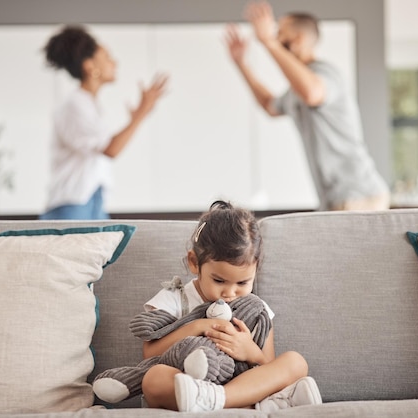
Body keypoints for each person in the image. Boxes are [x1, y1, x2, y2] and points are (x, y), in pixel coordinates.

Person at [128, 200, 322, 412]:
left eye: (242, 283)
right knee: (153, 379)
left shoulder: (256, 310)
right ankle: (253, 404)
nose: (230, 293)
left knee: (296, 362)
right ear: (194, 263)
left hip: (239, 386)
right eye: (219, 281)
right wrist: (199, 326)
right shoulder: (175, 298)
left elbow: (268, 365)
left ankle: (219, 400)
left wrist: (250, 352)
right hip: (188, 386)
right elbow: (150, 354)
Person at [225, 1, 390, 211]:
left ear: (298, 40)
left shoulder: (327, 74)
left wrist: (268, 42)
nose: (275, 38)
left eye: (280, 34)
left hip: (360, 195)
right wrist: (241, 64)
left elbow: (312, 93)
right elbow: (269, 105)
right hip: (334, 198)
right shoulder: (296, 90)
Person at [40, 25, 168, 220]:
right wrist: (140, 114)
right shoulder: (75, 104)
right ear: (89, 66)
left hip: (90, 202)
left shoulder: (88, 105)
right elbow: (111, 149)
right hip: (73, 206)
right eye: (107, 57)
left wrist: (136, 118)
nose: (114, 62)